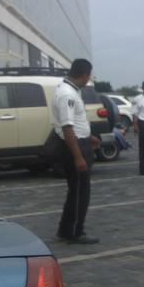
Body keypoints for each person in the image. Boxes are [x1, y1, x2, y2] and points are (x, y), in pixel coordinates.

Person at [52, 59, 101, 244]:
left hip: (81, 142)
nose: (89, 79)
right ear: (85, 75)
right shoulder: (67, 94)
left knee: (76, 191)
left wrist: (89, 137)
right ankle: (75, 232)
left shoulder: (70, 90)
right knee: (80, 193)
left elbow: (74, 124)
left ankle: (65, 229)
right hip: (74, 147)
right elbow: (67, 128)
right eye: (89, 75)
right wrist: (78, 157)